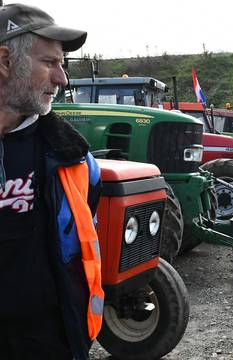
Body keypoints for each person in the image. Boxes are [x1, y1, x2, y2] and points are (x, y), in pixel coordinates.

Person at [0, 4, 103, 359]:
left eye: (63, 64)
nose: (62, 79)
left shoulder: (74, 159)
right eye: (49, 63)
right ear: (4, 61)